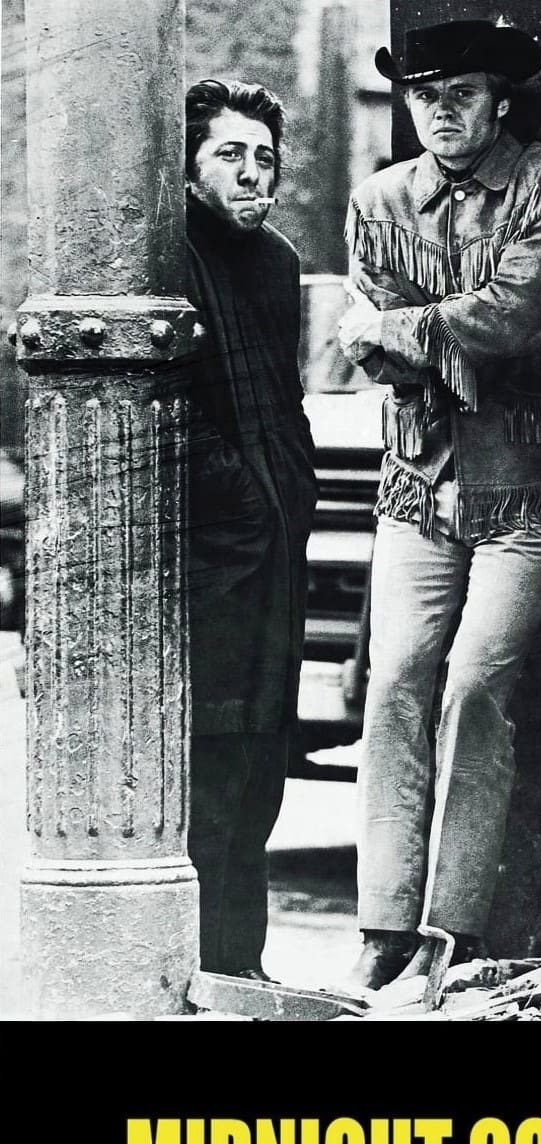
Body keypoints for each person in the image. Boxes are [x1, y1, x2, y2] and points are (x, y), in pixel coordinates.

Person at [337, 20, 541, 989]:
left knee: (472, 689)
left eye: (460, 94)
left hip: (533, 480)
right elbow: (370, 351)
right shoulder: (378, 200)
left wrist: (400, 328)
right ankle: (382, 930)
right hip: (420, 479)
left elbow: (514, 318)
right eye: (423, 95)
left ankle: (448, 934)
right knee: (394, 684)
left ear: (498, 99)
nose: (440, 112)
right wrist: (422, 336)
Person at [184, 79, 317, 981]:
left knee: (263, 757)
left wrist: (289, 496)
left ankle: (242, 969)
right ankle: (199, 966)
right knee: (212, 759)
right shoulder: (164, 253)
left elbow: (285, 396)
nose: (251, 172)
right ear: (192, 168)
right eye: (229, 153)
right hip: (208, 550)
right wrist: (242, 502)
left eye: (264, 157)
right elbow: (173, 414)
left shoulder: (275, 262)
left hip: (274, 544)